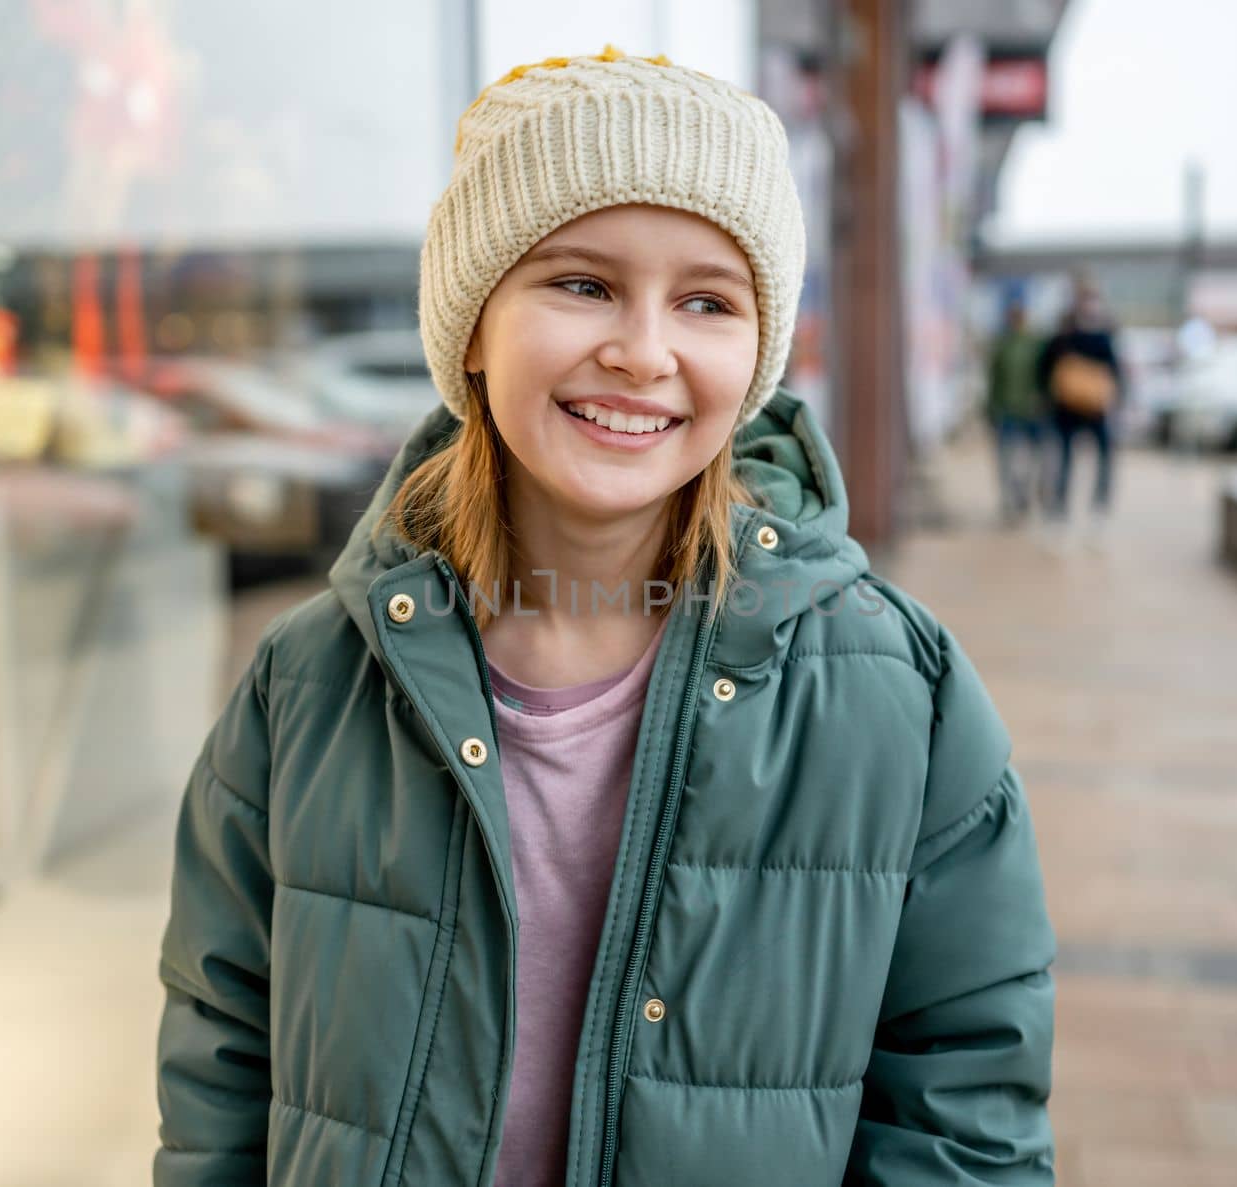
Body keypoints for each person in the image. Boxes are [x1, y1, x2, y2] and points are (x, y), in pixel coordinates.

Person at [154, 47, 1055, 1187]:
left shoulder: (897, 692)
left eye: (707, 301)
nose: (642, 349)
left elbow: (965, 1104)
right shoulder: (308, 683)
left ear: (758, 351)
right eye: (580, 283)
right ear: (474, 327)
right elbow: (220, 1056)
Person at [1038, 281, 1124, 540]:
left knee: (1103, 460)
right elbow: (1044, 370)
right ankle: (1060, 515)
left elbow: (1115, 373)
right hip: (1066, 411)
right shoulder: (1063, 337)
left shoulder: (1103, 337)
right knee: (1064, 463)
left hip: (1095, 411)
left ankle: (1097, 512)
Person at [984, 297, 1047, 525]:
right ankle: (1008, 500)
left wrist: (1042, 401)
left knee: (1031, 459)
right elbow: (993, 378)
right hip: (1007, 410)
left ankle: (1024, 494)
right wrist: (991, 407)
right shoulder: (1003, 344)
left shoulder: (1035, 344)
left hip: (1031, 411)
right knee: (1006, 458)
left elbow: (1044, 376)